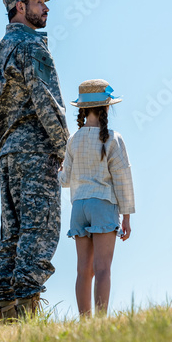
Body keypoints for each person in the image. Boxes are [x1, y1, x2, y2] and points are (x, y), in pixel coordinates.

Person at [0, 0, 69, 321]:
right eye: (38, 2)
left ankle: (6, 318)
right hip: (36, 153)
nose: (46, 8)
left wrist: (5, 149)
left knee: (11, 236)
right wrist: (66, 150)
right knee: (38, 232)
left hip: (7, 154)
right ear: (21, 7)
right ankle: (26, 320)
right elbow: (47, 103)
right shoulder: (33, 48)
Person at [59, 79, 134, 318]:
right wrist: (127, 217)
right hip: (103, 204)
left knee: (83, 270)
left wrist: (54, 171)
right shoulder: (113, 138)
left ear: (82, 109)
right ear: (106, 107)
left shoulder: (73, 140)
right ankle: (100, 322)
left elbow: (66, 179)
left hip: (78, 207)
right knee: (103, 269)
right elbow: (123, 179)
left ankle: (85, 322)